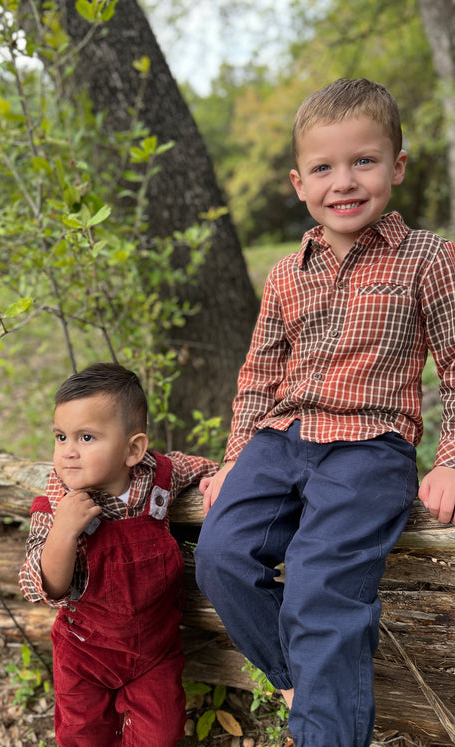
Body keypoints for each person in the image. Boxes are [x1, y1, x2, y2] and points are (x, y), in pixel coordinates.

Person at [194, 78, 455, 747]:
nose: (345, 181)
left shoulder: (428, 258)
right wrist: (232, 460)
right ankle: (302, 683)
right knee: (221, 554)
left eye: (363, 161)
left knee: (319, 589)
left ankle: (321, 731)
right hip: (281, 442)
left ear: (397, 166)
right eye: (324, 167)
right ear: (299, 183)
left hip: (368, 449)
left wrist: (451, 458)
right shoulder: (288, 273)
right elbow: (257, 377)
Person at [18, 362, 218, 747]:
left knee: (161, 734)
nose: (68, 453)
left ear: (133, 449)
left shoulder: (156, 479)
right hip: (84, 655)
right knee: (82, 736)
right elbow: (43, 586)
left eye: (86, 437)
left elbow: (198, 468)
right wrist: (63, 531)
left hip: (155, 652)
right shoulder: (58, 504)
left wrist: (219, 478)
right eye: (61, 437)